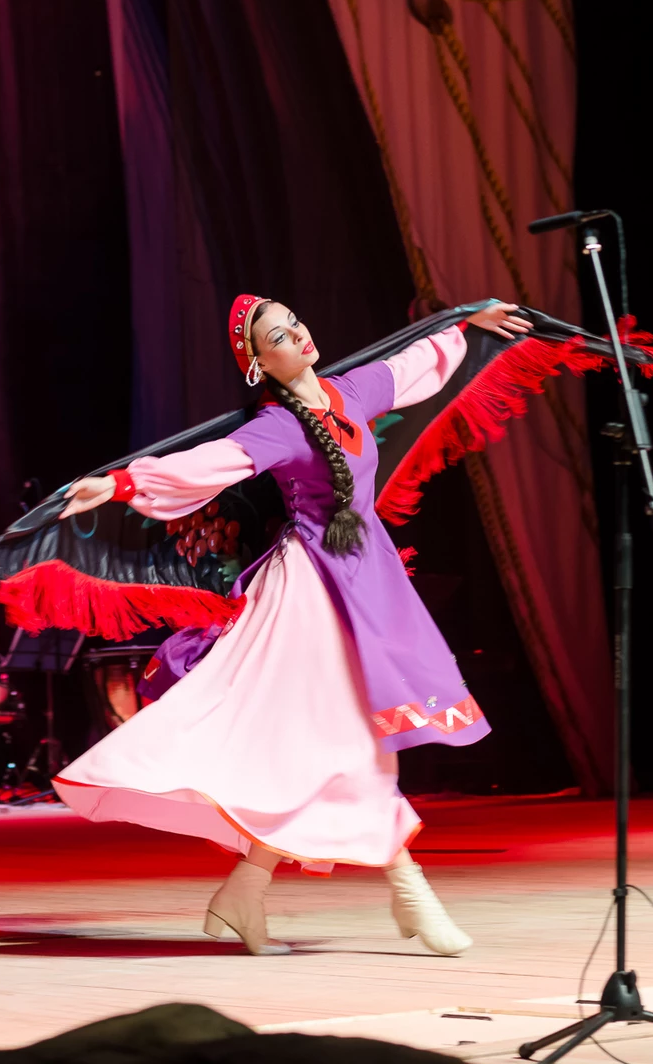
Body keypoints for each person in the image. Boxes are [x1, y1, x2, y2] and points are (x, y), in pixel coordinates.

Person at [51, 294, 532, 956]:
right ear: (258, 364)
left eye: (295, 322)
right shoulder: (277, 426)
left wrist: (464, 325)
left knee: (328, 746)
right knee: (351, 742)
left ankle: (245, 892)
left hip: (365, 579)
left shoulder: (350, 391)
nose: (298, 335)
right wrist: (121, 485)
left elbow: (414, 364)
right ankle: (411, 893)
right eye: (278, 336)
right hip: (310, 592)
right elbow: (212, 462)